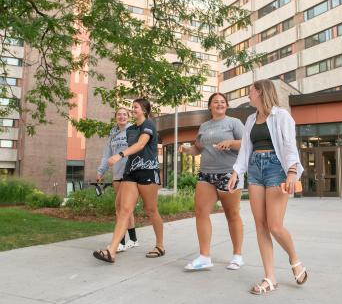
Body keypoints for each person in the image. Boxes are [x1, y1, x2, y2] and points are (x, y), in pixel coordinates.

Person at [227, 79, 308, 294]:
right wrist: (236, 171)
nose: (248, 96)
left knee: (275, 226)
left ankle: (294, 259)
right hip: (255, 169)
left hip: (276, 169)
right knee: (260, 225)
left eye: (250, 91)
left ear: (261, 92)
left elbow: (290, 145)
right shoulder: (251, 120)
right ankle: (270, 277)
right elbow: (245, 149)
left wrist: (292, 171)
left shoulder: (281, 116)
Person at [93, 98, 164, 263]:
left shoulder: (149, 125)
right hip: (130, 172)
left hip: (147, 170)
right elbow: (118, 145)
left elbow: (140, 145)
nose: (133, 110)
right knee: (124, 211)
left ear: (145, 110)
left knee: (151, 210)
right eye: (132, 107)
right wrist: (105, 166)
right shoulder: (131, 129)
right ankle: (111, 250)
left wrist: (119, 155)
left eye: (136, 107)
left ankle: (160, 245)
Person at [180, 92, 245, 271]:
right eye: (215, 102)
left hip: (228, 173)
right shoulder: (204, 126)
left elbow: (246, 144)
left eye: (222, 101)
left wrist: (231, 142)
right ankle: (204, 256)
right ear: (210, 106)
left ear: (227, 105)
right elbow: (198, 148)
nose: (219, 104)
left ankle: (237, 255)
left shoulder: (234, 123)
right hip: (206, 174)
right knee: (201, 212)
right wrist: (186, 150)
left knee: (232, 214)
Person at [96, 107, 139, 252]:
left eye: (124, 114)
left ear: (129, 117)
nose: (121, 116)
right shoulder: (112, 135)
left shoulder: (133, 130)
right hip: (117, 175)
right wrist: (100, 171)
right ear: (115, 117)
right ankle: (132, 239)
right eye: (119, 114)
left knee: (121, 209)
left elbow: (138, 149)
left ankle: (120, 242)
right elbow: (106, 155)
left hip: (129, 174)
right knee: (125, 209)